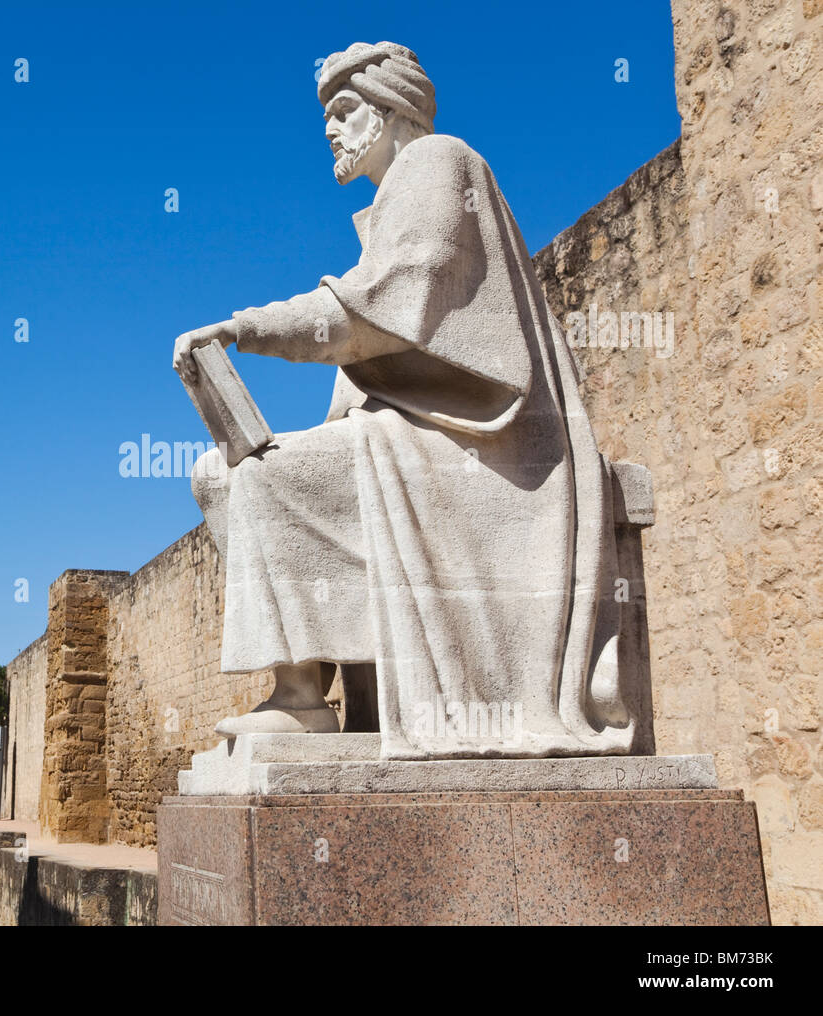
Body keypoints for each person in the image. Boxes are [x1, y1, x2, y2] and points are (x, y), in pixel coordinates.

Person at [174, 41, 640, 756]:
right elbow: (380, 333)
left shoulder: (438, 162)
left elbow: (384, 304)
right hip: (426, 433)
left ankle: (301, 700)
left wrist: (244, 329)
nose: (329, 129)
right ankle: (304, 682)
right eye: (325, 116)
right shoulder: (391, 204)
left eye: (344, 111)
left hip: (487, 447)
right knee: (219, 475)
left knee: (264, 475)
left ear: (391, 111)